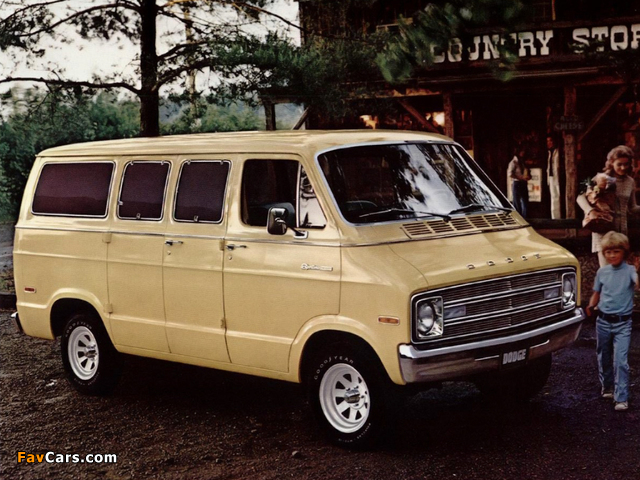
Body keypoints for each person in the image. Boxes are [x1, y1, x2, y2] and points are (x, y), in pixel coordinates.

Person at [585, 231, 637, 411]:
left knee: (621, 361)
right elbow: (597, 293)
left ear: (624, 252)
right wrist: (590, 306)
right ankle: (607, 387)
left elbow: (637, 285)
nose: (612, 255)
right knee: (604, 356)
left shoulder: (630, 271)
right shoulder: (602, 272)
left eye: (616, 251)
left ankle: (621, 397)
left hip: (623, 323)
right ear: (604, 253)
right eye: (608, 252)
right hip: (603, 321)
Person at [577, 145, 640, 267]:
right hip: (604, 228)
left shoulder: (630, 181)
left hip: (621, 232)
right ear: (611, 163)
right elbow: (580, 197)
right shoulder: (602, 178)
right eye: (619, 164)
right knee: (607, 271)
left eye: (626, 164)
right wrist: (590, 211)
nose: (623, 167)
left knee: (620, 271)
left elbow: (632, 207)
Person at [507, 147, 531, 217]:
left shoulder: (523, 162)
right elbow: (510, 174)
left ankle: (525, 217)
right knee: (517, 202)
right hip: (517, 182)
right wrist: (520, 177)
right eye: (522, 152)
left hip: (523, 183)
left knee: (525, 201)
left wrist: (528, 176)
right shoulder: (513, 162)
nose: (523, 153)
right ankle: (518, 217)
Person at [546, 135, 562, 219]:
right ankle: (555, 217)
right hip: (551, 177)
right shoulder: (549, 152)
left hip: (558, 177)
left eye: (550, 141)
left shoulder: (558, 152)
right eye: (547, 141)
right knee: (553, 197)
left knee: (559, 196)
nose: (549, 143)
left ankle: (560, 217)